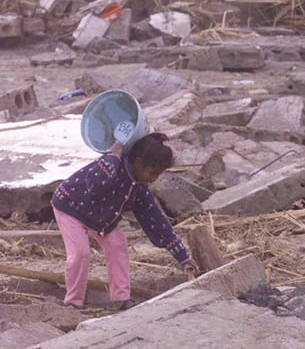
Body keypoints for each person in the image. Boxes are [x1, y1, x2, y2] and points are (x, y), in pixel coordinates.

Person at [51, 127, 197, 309]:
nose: (154, 179)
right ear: (138, 163)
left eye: (158, 175)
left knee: (117, 245)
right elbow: (95, 184)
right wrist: (112, 156)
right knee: (81, 253)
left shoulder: (139, 190)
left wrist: (182, 256)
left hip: (101, 218)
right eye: (152, 173)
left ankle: (121, 299)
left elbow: (157, 222)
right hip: (70, 207)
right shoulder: (110, 167)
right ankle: (73, 302)